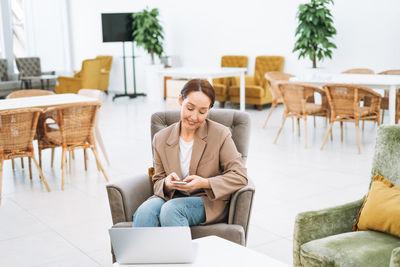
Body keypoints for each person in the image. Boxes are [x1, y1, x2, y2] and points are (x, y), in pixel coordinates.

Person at [133, 79, 248, 227]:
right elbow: (158, 181)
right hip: (173, 197)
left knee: (171, 210)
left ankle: (179, 251)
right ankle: (143, 251)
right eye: (190, 108)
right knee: (145, 211)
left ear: (209, 109)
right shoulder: (161, 138)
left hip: (207, 201)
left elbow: (240, 176)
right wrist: (167, 184)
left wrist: (205, 183)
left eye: (202, 112)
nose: (194, 117)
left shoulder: (220, 134)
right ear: (180, 100)